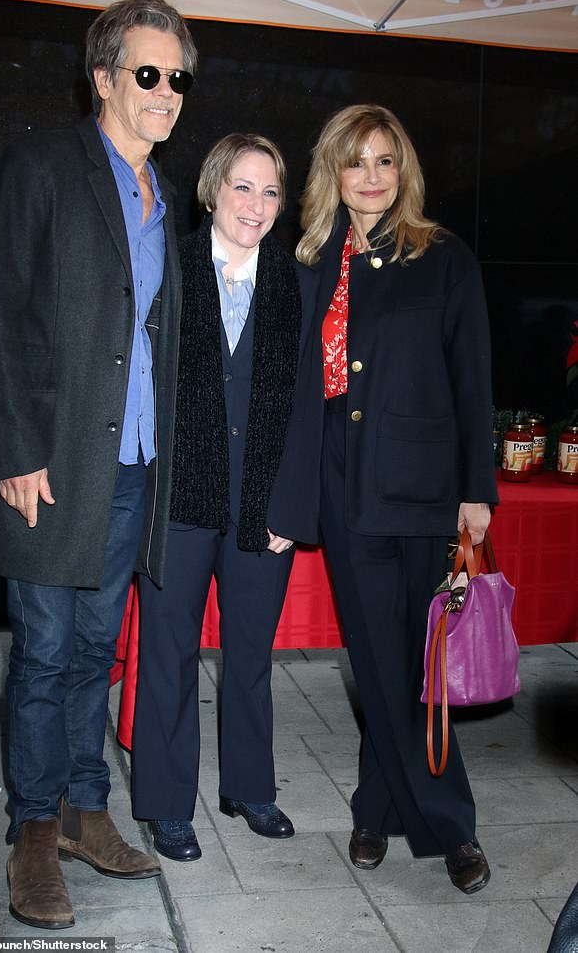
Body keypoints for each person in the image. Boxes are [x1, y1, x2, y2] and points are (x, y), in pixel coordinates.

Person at [0, 0, 197, 929]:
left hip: (131, 461)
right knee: (46, 653)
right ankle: (34, 834)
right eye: (147, 73)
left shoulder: (162, 196)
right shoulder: (44, 165)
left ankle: (89, 810)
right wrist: (13, 447)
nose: (165, 91)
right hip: (48, 464)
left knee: (97, 648)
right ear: (103, 78)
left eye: (177, 76)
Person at [295, 104, 498, 894]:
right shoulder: (315, 259)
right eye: (356, 161)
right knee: (379, 659)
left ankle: (377, 807)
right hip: (346, 487)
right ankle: (452, 829)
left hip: (426, 491)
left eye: (385, 161)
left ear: (403, 171)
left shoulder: (444, 258)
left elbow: (472, 381)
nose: (371, 177)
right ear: (333, 173)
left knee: (421, 667)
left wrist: (476, 492)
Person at [131, 133, 321, 862]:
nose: (257, 204)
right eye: (243, 187)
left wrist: (290, 510)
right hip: (178, 495)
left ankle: (250, 786)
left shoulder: (294, 281)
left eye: (271, 191)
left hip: (263, 508)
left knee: (250, 652)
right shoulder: (167, 267)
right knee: (168, 651)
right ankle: (166, 803)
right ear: (213, 190)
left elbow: (309, 409)